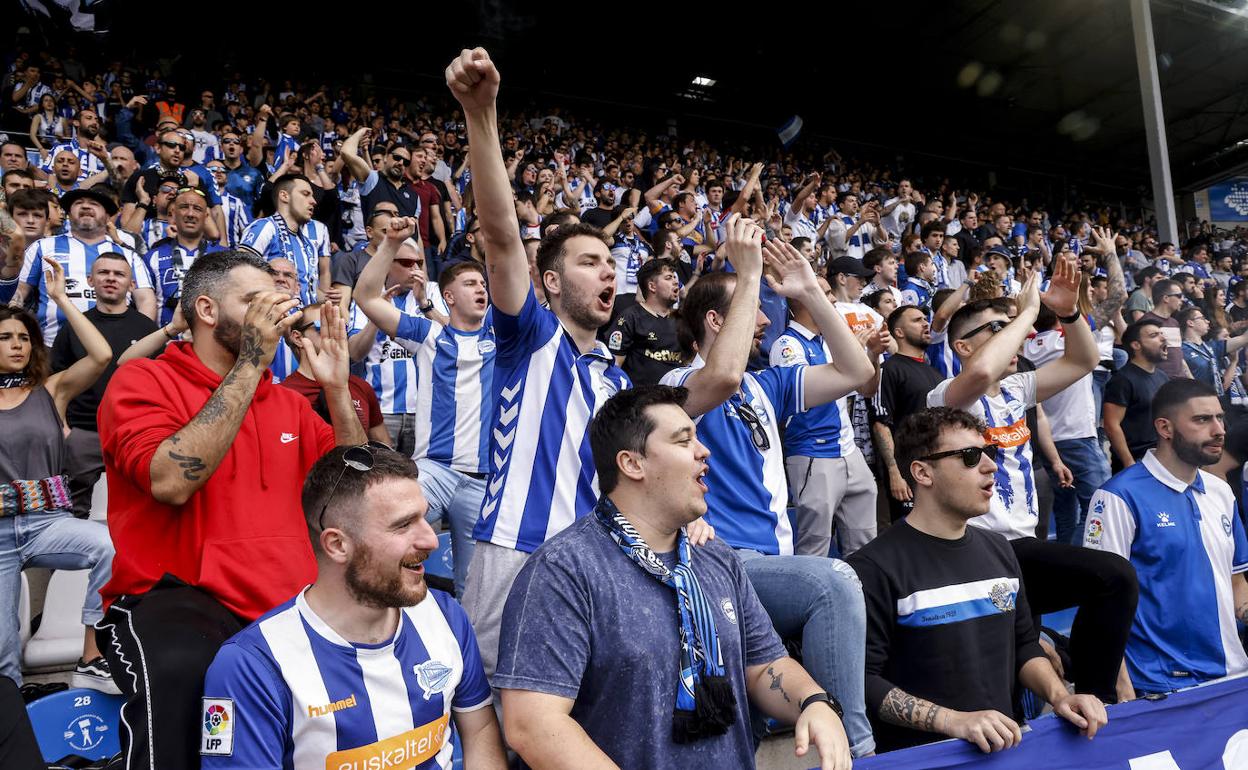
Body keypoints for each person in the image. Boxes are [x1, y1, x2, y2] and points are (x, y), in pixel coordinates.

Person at [95, 250, 367, 770]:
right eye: (252, 301)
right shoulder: (143, 382)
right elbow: (171, 481)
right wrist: (250, 363)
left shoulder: (288, 403)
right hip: (178, 593)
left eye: (275, 300)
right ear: (206, 309)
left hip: (290, 597)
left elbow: (354, 492)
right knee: (181, 671)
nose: (272, 312)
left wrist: (335, 390)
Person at [496, 386, 851, 770]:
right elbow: (533, 723)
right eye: (684, 441)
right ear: (633, 464)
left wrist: (814, 701)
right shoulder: (563, 570)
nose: (704, 451)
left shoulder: (716, 557)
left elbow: (764, 667)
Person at [446, 48, 633, 680]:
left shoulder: (618, 377)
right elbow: (500, 236)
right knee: (490, 715)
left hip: (596, 563)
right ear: (548, 281)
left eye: (611, 264)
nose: (606, 271)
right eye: (588, 262)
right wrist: (481, 113)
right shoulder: (532, 336)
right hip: (517, 553)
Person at [661, 234, 878, 756]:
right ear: (716, 320)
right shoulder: (678, 384)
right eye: (754, 308)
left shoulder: (764, 385)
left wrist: (813, 294)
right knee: (832, 581)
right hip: (718, 560)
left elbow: (858, 372)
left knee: (749, 725)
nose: (765, 320)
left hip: (764, 563)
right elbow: (724, 375)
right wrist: (750, 272)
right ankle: (854, 749)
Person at [201, 445, 506, 769]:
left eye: (424, 516)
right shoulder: (253, 665)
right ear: (337, 545)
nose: (430, 539)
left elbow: (480, 731)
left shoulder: (446, 616)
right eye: (403, 525)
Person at [927, 259, 1139, 706]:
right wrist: (1026, 313)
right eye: (995, 328)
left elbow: (1082, 359)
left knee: (1030, 668)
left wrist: (1067, 314)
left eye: (1011, 326)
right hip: (979, 552)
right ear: (963, 347)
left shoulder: (1015, 389)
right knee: (1112, 577)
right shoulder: (944, 396)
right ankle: (1096, 695)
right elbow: (982, 373)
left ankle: (1088, 697)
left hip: (1021, 546)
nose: (1014, 335)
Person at [849, 407, 1108, 753]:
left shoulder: (999, 550)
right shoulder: (872, 567)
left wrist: (1060, 695)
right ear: (922, 472)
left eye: (989, 453)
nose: (990, 466)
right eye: (970, 457)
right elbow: (861, 681)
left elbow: (1023, 645)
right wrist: (954, 721)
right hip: (925, 761)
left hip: (1002, 753)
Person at [353, 221, 494, 597]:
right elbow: (366, 297)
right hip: (434, 469)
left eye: (482, 284)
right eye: (470, 284)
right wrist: (390, 245)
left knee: (471, 584)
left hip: (482, 479)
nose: (480, 289)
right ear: (449, 295)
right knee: (385, 538)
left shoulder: (502, 341)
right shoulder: (429, 336)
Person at [1085, 378, 1248, 696]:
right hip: (1159, 686)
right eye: (1202, 419)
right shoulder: (1118, 497)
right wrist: (1122, 690)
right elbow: (1098, 602)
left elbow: (1237, 582)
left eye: (1220, 417)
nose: (1219, 430)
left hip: (1232, 674)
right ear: (1165, 427)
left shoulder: (1221, 491)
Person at [0, 259, 117, 693]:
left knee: (110, 546)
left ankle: (92, 655)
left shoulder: (49, 391)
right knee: (3, 652)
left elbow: (102, 356)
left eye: (24, 338)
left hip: (48, 523)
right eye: (6, 337)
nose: (19, 345)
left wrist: (62, 300)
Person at [771, 272, 879, 557]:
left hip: (849, 450)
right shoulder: (786, 345)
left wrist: (872, 356)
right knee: (814, 549)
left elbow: (867, 389)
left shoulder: (832, 342)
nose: (833, 299)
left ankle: (866, 600)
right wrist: (853, 352)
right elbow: (809, 398)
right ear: (806, 300)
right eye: (827, 293)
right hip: (814, 453)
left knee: (866, 546)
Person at [50, 252, 159, 518]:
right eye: (104, 273)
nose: (111, 278)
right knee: (71, 510)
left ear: (131, 285)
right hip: (82, 433)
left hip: (131, 433)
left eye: (119, 274)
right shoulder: (74, 327)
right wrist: (65, 430)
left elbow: (159, 384)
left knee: (142, 509)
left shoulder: (147, 328)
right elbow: (55, 381)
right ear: (90, 280)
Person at [13, 188, 157, 340]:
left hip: (114, 343)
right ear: (68, 214)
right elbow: (20, 292)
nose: (86, 206)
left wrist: (139, 339)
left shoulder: (129, 255)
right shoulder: (42, 247)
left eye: (94, 204)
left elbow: (145, 300)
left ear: (108, 216)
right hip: (51, 344)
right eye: (79, 203)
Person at [1023, 304, 1111, 545]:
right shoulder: (1067, 344)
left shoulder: (1025, 348)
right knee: (1100, 506)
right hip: (1078, 436)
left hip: (1049, 441)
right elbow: (1112, 303)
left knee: (1066, 514)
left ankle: (1065, 570)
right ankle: (1081, 566)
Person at [279, 302, 389, 444]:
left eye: (340, 327)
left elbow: (384, 449)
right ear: (298, 338)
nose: (332, 333)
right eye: (321, 326)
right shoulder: (284, 393)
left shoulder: (361, 387)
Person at [874, 305, 945, 522]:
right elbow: (880, 423)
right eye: (916, 320)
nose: (925, 323)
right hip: (908, 472)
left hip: (938, 468)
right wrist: (895, 472)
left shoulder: (934, 372)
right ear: (899, 332)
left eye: (925, 318)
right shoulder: (889, 369)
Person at [239, 174, 331, 305]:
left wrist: (329, 298)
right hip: (273, 319)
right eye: (306, 194)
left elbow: (308, 293)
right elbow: (240, 274)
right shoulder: (265, 227)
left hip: (303, 321)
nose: (313, 201)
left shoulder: (308, 244)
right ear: (284, 196)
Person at [144, 188, 223, 326]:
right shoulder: (153, 257)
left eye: (197, 209)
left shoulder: (223, 256)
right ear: (173, 214)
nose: (190, 214)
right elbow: (144, 304)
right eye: (184, 207)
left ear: (206, 216)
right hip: (166, 344)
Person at [1103, 320, 1171, 471]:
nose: (1162, 338)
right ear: (1136, 345)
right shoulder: (1122, 380)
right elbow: (1111, 425)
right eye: (1154, 335)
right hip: (1137, 462)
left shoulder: (1162, 377)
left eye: (1161, 334)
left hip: (1162, 458)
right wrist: (1129, 463)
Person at [608, 257, 683, 386]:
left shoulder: (682, 321)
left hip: (675, 401)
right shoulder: (630, 318)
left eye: (675, 278)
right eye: (669, 278)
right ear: (652, 286)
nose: (676, 282)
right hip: (638, 401)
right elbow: (613, 369)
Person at [1141, 279, 1192, 379]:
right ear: (1166, 298)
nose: (1182, 299)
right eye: (1179, 296)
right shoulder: (1147, 321)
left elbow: (1179, 356)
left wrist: (1190, 379)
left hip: (1180, 381)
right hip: (1159, 381)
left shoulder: (1174, 322)